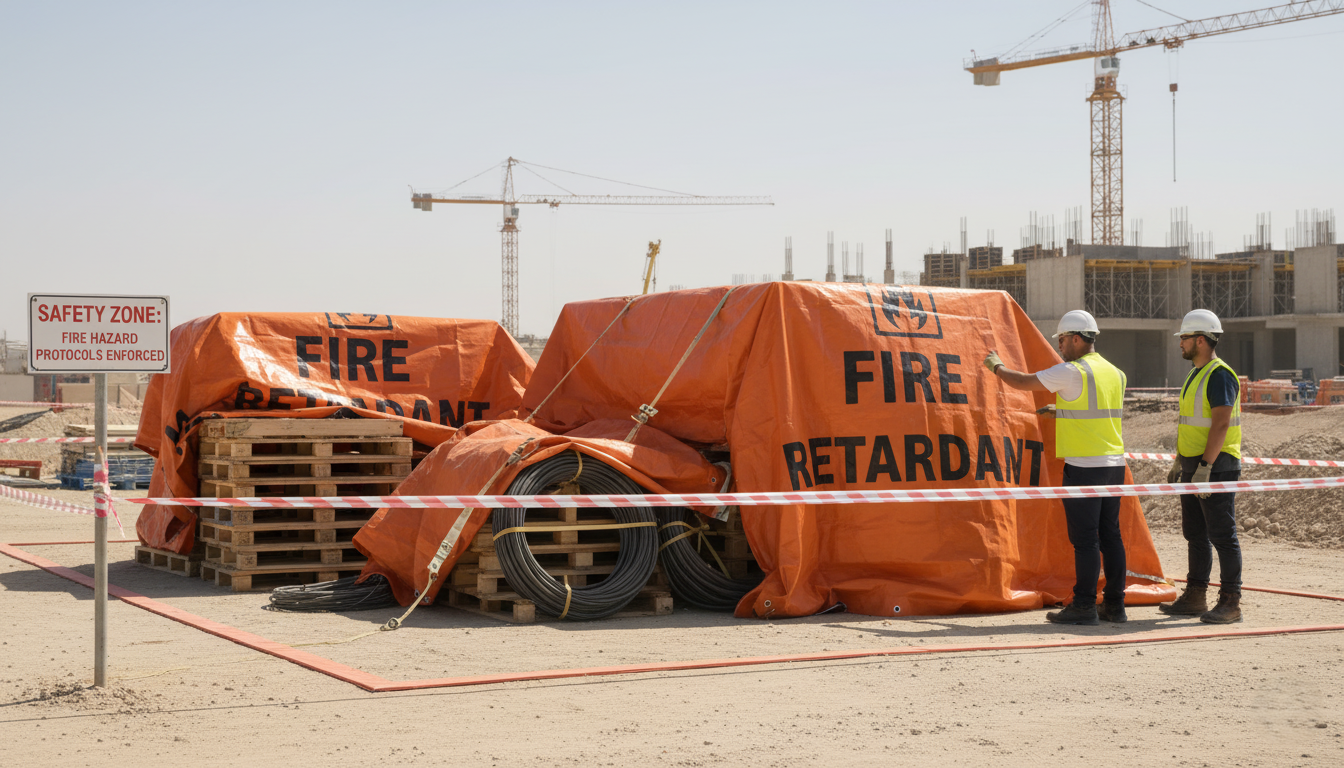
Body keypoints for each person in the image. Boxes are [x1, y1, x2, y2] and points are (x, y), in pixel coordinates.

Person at [984, 309, 1129, 626]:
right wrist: (1063, 412)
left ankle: (1084, 605)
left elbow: (1024, 382)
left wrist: (997, 367)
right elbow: (1097, 417)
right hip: (1114, 465)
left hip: (1083, 468)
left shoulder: (1073, 371)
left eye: (1062, 340)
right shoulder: (1115, 373)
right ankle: (1115, 605)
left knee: (1086, 540)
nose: (1060, 346)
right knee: (1111, 537)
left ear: (1077, 339)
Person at [1159, 309, 1244, 624]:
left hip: (1217, 465)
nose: (1179, 343)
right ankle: (1196, 594)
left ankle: (1231, 601)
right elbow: (1190, 424)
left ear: (1200, 340)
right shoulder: (1196, 373)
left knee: (1222, 534)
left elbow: (1221, 424)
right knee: (1195, 533)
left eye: (1183, 338)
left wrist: (1206, 466)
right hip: (1195, 464)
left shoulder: (1219, 374)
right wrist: (1180, 461)